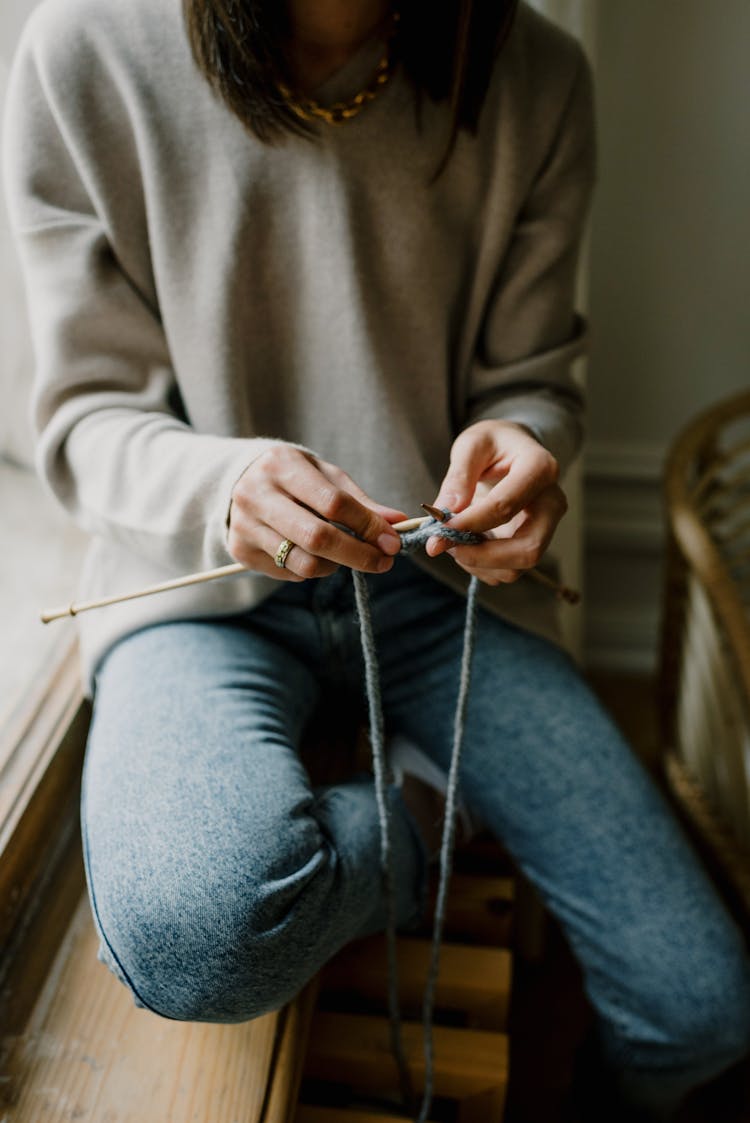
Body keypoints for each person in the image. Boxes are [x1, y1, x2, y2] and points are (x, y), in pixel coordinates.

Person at [4, 0, 750, 1118]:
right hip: (191, 593)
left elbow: (534, 377)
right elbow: (81, 417)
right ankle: (430, 815)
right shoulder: (86, 46)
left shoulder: (536, 74)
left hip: (432, 592)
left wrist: (530, 443)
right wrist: (222, 487)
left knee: (702, 1009)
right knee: (197, 937)